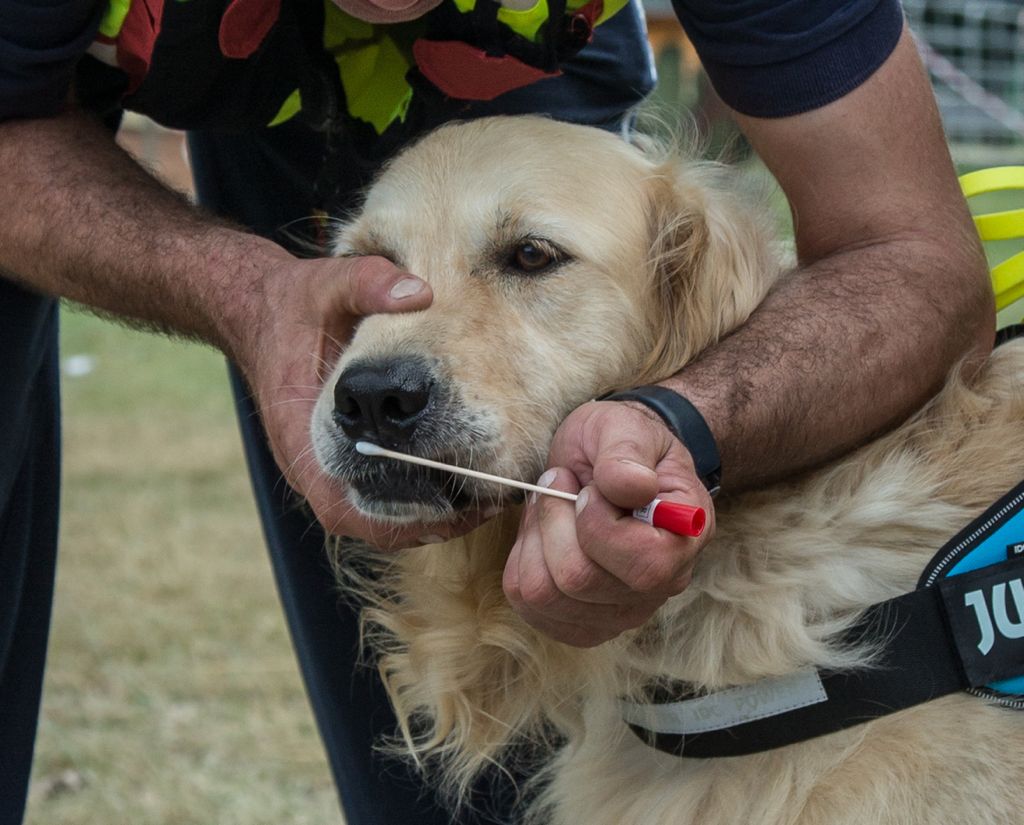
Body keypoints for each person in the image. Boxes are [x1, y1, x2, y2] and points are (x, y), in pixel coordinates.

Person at [0, 1, 993, 823]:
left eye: (528, 260)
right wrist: (249, 290)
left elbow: (907, 252)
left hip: (510, 36)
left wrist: (684, 418)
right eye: (374, 269)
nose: (386, 374)